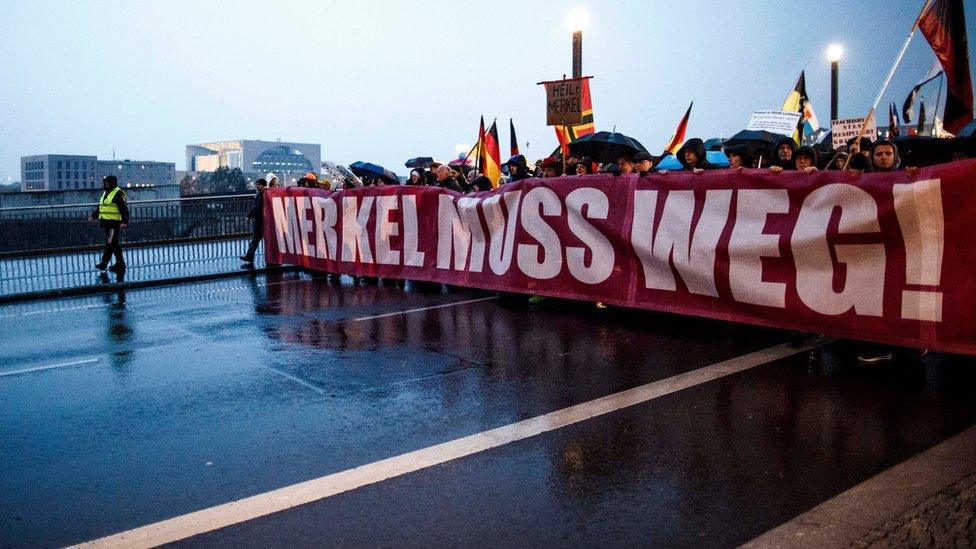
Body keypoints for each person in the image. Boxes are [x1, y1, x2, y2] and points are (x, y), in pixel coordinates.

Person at [88, 175, 129, 273]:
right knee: (113, 243)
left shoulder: (117, 193)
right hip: (106, 223)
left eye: (107, 182)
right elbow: (101, 207)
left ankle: (105, 263)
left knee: (110, 243)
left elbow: (124, 209)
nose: (105, 184)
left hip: (114, 224)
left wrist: (124, 222)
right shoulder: (106, 193)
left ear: (112, 183)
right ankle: (120, 263)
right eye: (105, 182)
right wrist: (93, 216)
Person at [240, 178, 268, 264]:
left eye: (258, 184)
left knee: (255, 239)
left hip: (259, 220)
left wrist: (250, 216)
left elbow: (256, 208)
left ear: (263, 185)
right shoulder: (262, 194)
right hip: (260, 219)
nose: (257, 186)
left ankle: (249, 256)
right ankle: (249, 256)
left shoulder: (262, 195)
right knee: (256, 239)